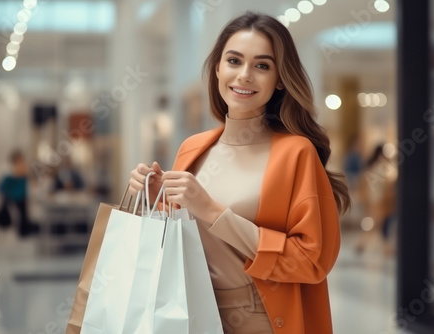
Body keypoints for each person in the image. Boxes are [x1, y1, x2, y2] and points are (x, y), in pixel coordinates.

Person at [129, 11, 350, 334]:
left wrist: (213, 211)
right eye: (234, 61)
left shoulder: (295, 153)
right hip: (185, 312)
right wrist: (155, 200)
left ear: (279, 80)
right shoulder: (193, 148)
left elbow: (312, 261)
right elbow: (185, 237)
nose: (244, 75)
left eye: (262, 66)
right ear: (218, 67)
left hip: (259, 317)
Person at [0, 149, 32, 237]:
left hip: (22, 197)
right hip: (12, 198)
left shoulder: (24, 170)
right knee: (15, 219)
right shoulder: (8, 172)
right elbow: (0, 188)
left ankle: (23, 232)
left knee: (23, 219)